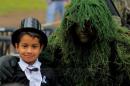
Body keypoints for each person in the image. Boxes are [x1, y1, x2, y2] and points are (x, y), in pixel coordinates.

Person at [48, 0, 130, 85]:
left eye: (88, 24)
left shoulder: (117, 51)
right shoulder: (60, 49)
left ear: (99, 25)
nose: (83, 29)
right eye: (78, 23)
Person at [0, 17, 59, 86]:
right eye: (24, 46)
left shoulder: (50, 73)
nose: (29, 51)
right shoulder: (8, 70)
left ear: (41, 48)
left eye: (34, 46)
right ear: (17, 47)